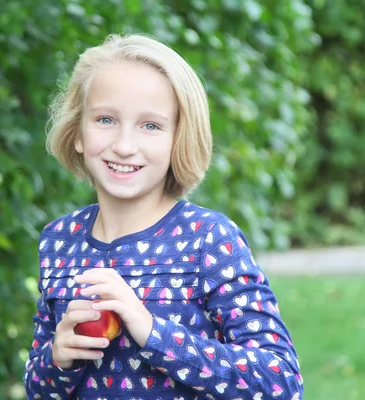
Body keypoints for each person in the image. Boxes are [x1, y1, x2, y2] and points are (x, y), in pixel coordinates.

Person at [24, 33, 304, 400]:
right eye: (105, 119)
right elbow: (39, 390)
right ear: (77, 132)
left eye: (150, 126)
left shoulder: (208, 240)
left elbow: (281, 382)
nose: (124, 146)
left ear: (179, 139)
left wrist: (152, 331)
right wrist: (56, 359)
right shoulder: (60, 240)